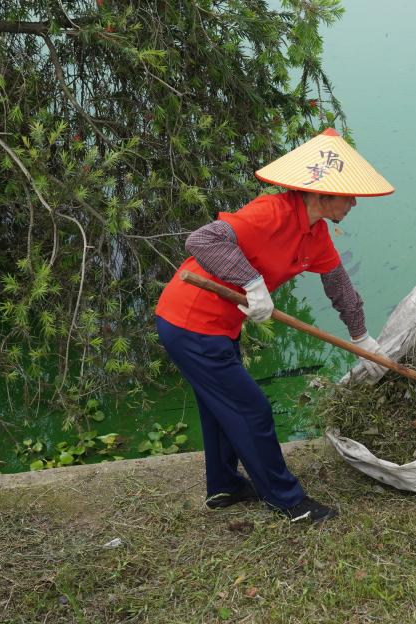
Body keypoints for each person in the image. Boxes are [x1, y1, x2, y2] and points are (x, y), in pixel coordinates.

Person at [155, 128, 394, 523]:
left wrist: (362, 338)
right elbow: (203, 241)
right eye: (348, 195)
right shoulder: (271, 214)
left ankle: (224, 487)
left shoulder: (316, 233)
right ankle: (287, 501)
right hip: (190, 322)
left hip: (219, 326)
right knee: (252, 411)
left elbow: (340, 287)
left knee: (220, 409)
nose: (353, 203)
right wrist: (251, 281)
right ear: (321, 194)